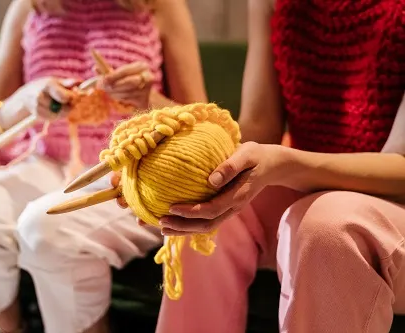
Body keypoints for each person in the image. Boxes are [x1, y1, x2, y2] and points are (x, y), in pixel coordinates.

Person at [0, 0, 207, 332]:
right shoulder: (30, 6)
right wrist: (24, 100)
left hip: (129, 172)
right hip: (45, 161)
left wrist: (146, 99)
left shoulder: (159, 6)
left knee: (47, 229)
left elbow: (202, 124)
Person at [115, 0, 405, 332]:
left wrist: (284, 163)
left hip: (391, 206)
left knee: (327, 226)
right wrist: (160, 174)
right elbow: (258, 130)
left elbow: (401, 169)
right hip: (309, 187)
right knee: (206, 205)